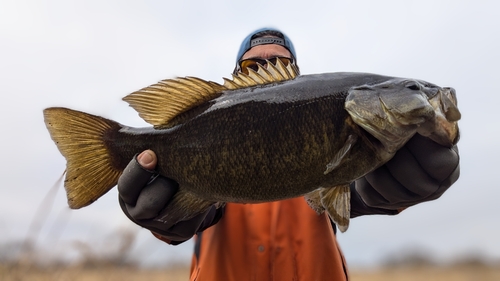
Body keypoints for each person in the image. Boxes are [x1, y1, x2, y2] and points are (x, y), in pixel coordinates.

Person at [117, 28, 460, 280]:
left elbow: (359, 194)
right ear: (235, 76)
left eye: (278, 63)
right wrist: (167, 220)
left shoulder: (348, 142)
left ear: (295, 75)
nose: (265, 70)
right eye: (252, 68)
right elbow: (195, 215)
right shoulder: (211, 136)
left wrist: (397, 188)